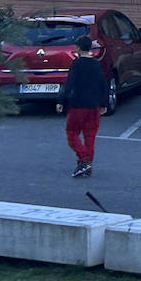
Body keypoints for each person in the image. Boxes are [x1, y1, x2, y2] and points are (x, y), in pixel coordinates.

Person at [55, 36, 108, 177]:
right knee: (90, 135)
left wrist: (61, 100)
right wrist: (103, 103)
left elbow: (69, 84)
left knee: (72, 133)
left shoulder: (76, 64)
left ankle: (84, 160)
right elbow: (102, 84)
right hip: (94, 105)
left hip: (78, 104)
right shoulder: (96, 64)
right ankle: (87, 163)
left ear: (78, 48)